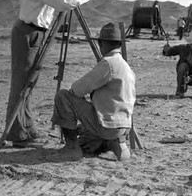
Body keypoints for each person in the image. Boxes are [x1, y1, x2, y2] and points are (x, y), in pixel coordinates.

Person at [5, 0, 111, 148]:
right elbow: (65, 2)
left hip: (29, 29)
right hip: (29, 32)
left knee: (29, 82)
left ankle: (25, 127)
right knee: (22, 83)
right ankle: (17, 134)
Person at [51, 22, 136, 161]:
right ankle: (119, 145)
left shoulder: (108, 63)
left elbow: (77, 90)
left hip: (108, 126)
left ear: (102, 44)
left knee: (63, 96)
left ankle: (72, 148)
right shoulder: (126, 67)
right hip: (124, 127)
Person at [162, 28, 192, 98]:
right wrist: (166, 50)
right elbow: (171, 51)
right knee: (183, 66)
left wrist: (191, 78)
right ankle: (180, 92)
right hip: (184, 73)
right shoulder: (183, 48)